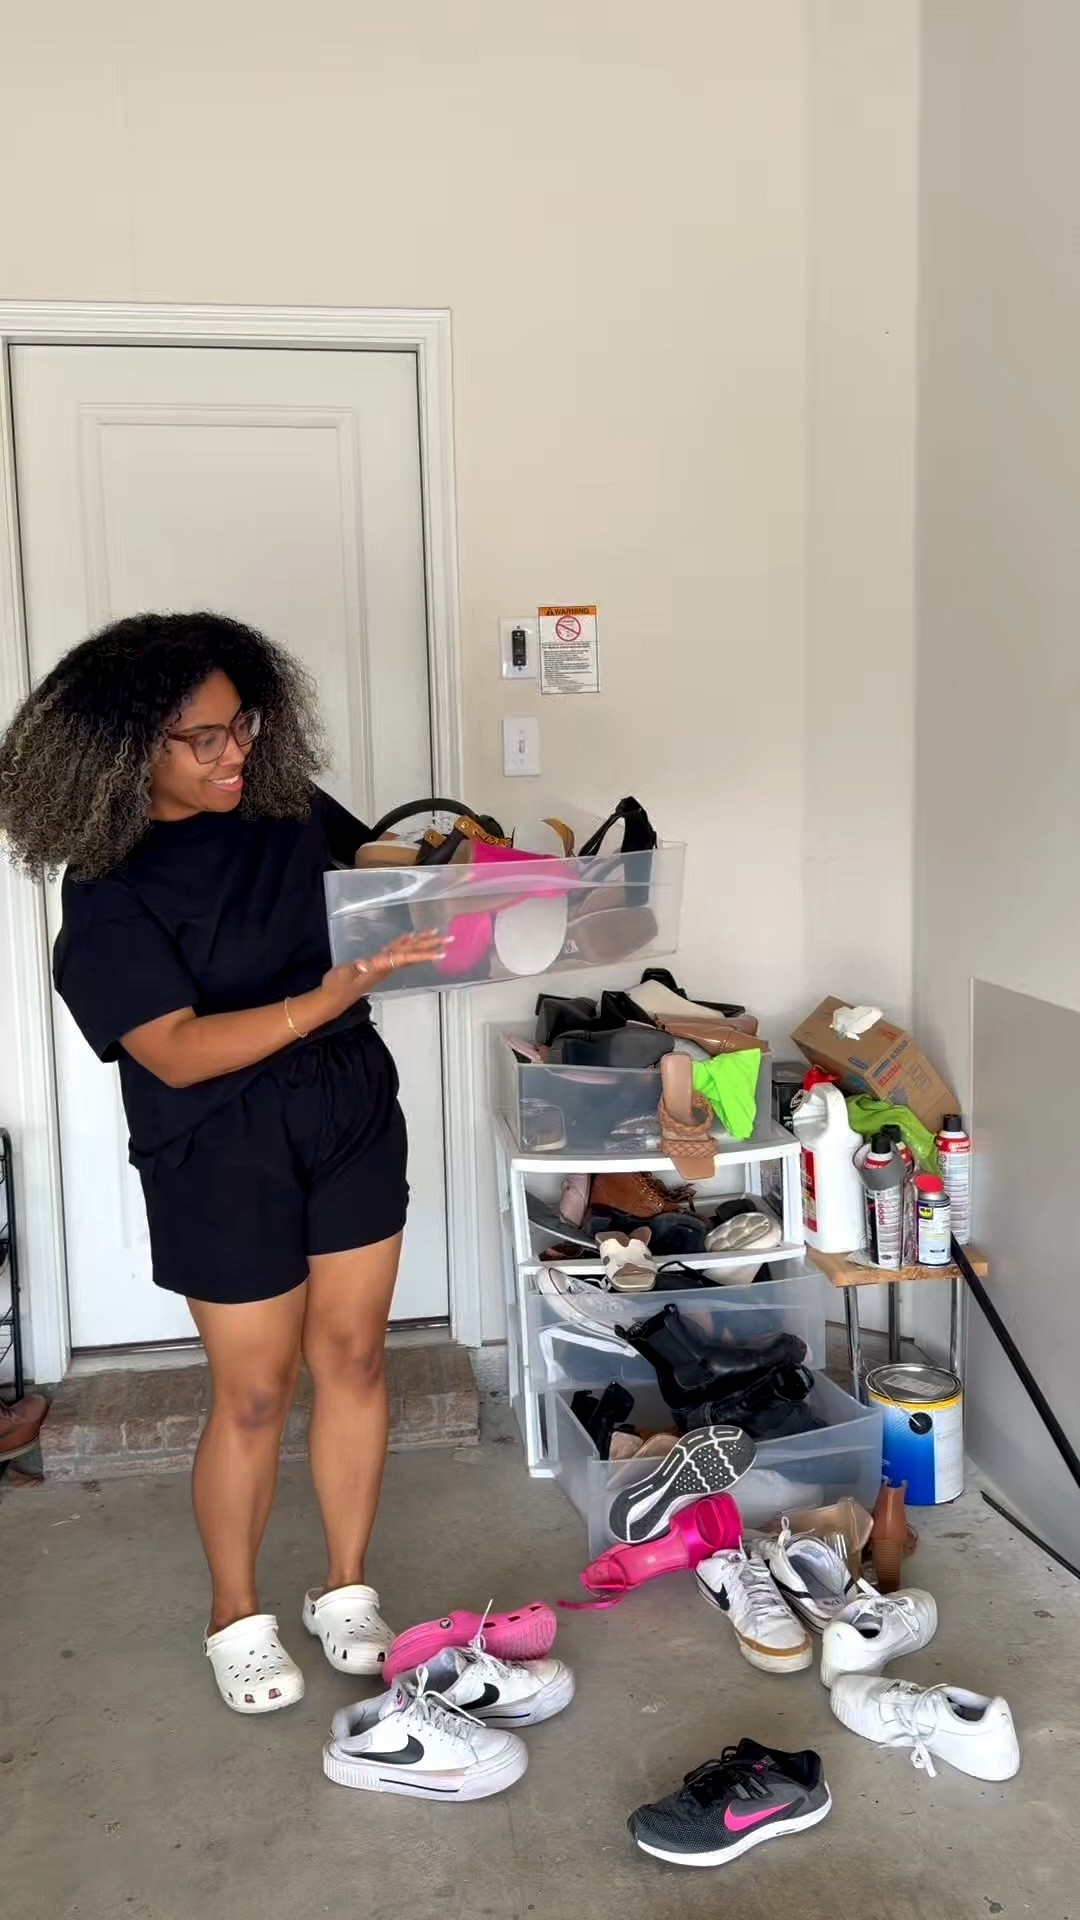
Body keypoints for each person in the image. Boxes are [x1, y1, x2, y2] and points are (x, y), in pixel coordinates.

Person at [0, 611, 446, 1714]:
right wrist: (327, 997)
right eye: (200, 738)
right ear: (123, 750)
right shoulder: (107, 891)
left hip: (346, 1109)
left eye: (241, 724)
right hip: (215, 1141)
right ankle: (234, 1613)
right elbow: (178, 1049)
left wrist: (470, 868)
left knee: (353, 1356)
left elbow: (375, 859)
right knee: (254, 1390)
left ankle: (345, 1587)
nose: (233, 752)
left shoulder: (285, 811)